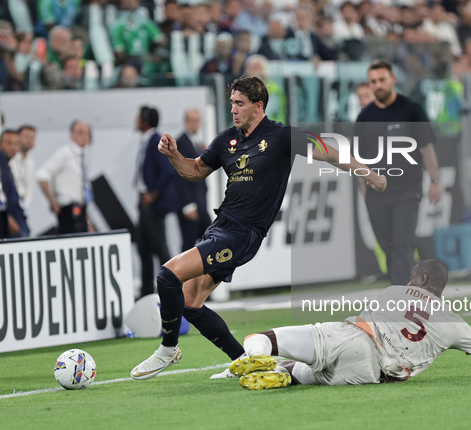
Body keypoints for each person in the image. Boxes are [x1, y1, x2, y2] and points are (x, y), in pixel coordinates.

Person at [130, 75, 387, 380]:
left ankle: (168, 348)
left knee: (167, 275)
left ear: (258, 105)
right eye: (232, 104)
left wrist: (369, 173)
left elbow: (328, 151)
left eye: (239, 104)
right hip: (220, 227)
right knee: (189, 302)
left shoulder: (281, 137)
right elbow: (196, 170)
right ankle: (243, 360)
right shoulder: (227, 139)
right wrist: (174, 155)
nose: (234, 110)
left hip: (242, 235)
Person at [228, 259, 471, 390]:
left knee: (262, 336)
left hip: (355, 337)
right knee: (311, 375)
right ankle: (285, 374)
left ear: (419, 278)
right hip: (372, 374)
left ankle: (252, 356)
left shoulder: (395, 291)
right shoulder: (456, 324)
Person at [356, 59, 442, 286]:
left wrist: (434, 180)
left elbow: (426, 148)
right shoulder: (364, 117)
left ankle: (402, 297)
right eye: (373, 81)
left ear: (392, 80)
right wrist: (363, 189)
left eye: (382, 79)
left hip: (407, 188)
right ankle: (413, 285)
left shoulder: (411, 109)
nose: (378, 85)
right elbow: (359, 161)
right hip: (376, 192)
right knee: (387, 245)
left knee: (402, 241)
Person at [134, 105, 177, 297]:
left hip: (152, 204)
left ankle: (173, 287)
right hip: (144, 202)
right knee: (144, 249)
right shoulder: (147, 140)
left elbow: (168, 170)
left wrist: (154, 193)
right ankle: (146, 293)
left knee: (160, 247)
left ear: (144, 121)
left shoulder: (154, 141)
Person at [36, 120, 93, 234]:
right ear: (71, 134)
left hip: (80, 208)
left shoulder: (80, 156)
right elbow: (42, 174)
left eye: (87, 133)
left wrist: (88, 221)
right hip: (68, 209)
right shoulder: (65, 152)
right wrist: (52, 201)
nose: (84, 137)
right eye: (80, 132)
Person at [175, 108, 211, 252]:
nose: (195, 124)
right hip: (190, 204)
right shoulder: (181, 143)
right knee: (188, 245)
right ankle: (182, 274)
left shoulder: (197, 143)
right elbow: (178, 176)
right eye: (192, 120)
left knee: (208, 240)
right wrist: (187, 205)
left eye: (197, 120)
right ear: (186, 122)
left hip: (201, 202)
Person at [0, 129, 29, 238]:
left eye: (16, 144)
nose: (12, 147)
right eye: (8, 143)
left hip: (17, 215)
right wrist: (8, 218)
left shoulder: (9, 165)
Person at [10, 125, 37, 211]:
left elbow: (29, 188)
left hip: (21, 205)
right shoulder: (9, 159)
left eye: (32, 137)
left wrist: (24, 206)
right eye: (26, 137)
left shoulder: (30, 163)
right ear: (17, 137)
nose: (30, 140)